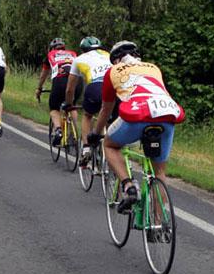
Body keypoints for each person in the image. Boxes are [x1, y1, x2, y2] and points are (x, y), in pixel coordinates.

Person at [88, 41, 185, 213]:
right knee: (159, 173)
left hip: (136, 115)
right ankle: (158, 222)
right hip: (167, 115)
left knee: (109, 145)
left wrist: (96, 133)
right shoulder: (153, 68)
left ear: (116, 60)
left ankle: (129, 186)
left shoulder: (113, 71)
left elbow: (106, 109)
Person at [65, 36, 111, 165]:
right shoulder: (109, 55)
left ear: (83, 49)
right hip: (113, 87)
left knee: (87, 115)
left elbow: (70, 88)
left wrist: (69, 104)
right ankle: (112, 147)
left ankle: (86, 148)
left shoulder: (78, 59)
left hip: (95, 86)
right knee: (110, 116)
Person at [35, 38, 80, 146]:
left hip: (60, 79)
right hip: (77, 81)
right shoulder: (73, 53)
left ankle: (59, 130)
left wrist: (39, 88)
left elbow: (44, 75)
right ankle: (74, 133)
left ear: (52, 48)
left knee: (54, 107)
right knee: (72, 105)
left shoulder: (51, 54)